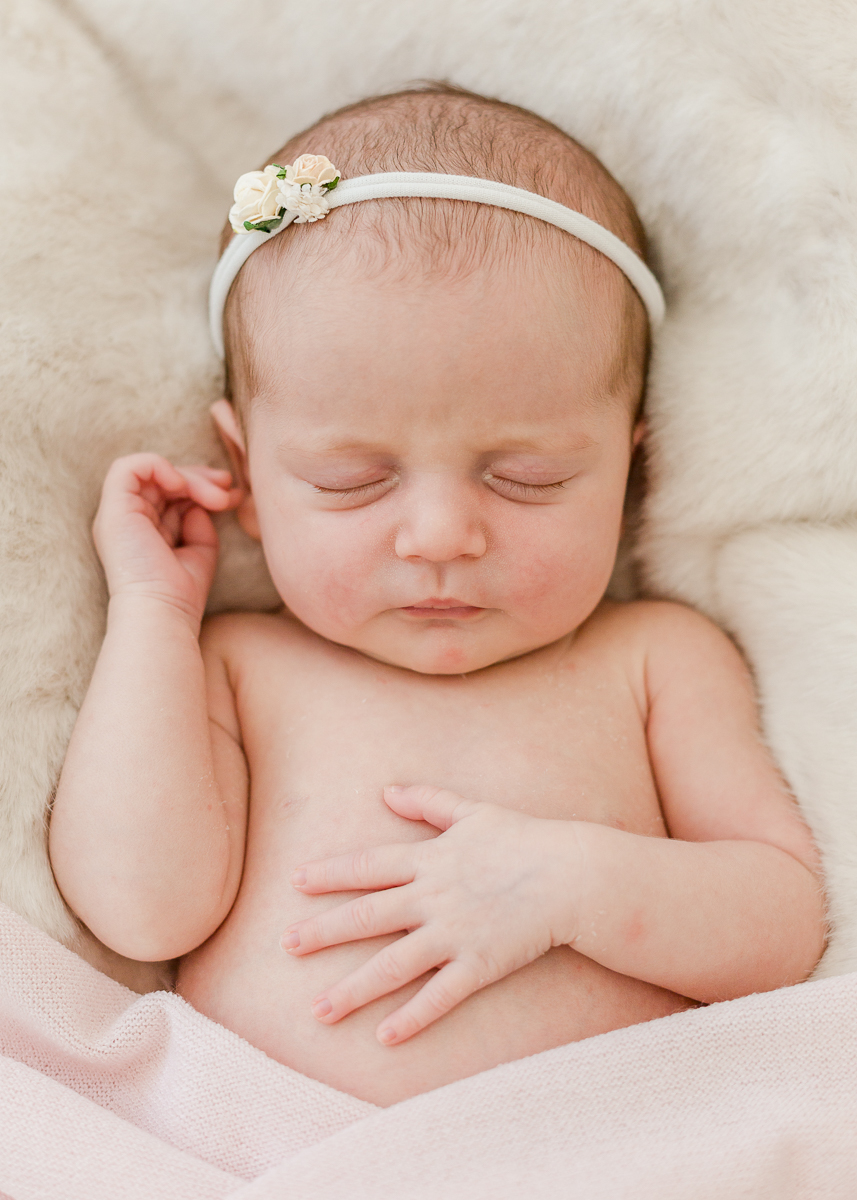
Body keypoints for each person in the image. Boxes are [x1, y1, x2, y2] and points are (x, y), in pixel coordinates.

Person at [49, 86, 826, 1107]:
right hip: (277, 1153)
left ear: (632, 474)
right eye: (350, 481)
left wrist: (570, 887)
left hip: (619, 1147)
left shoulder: (654, 657)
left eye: (527, 478)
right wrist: (151, 613)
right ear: (244, 473)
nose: (439, 538)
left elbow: (777, 922)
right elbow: (140, 912)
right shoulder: (237, 664)